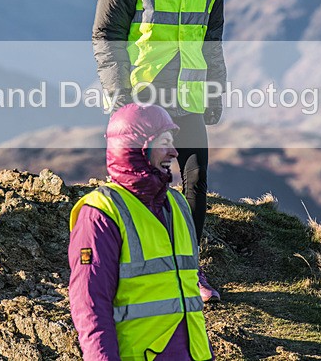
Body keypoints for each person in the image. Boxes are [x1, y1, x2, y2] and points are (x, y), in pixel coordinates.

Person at [92, 0, 225, 301]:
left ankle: (191, 272)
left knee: (196, 182)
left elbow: (212, 38)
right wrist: (122, 104)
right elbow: (106, 39)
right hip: (143, 104)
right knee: (145, 188)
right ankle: (132, 271)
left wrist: (216, 91)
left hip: (187, 100)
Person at [68, 103, 214, 361]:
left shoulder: (178, 206)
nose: (174, 151)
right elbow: (91, 307)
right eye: (164, 142)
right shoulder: (101, 213)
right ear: (137, 149)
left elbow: (189, 294)